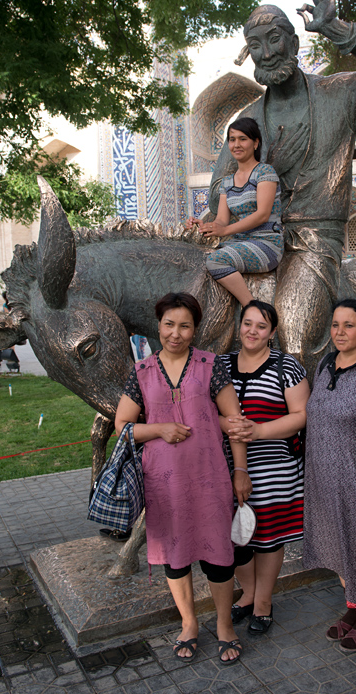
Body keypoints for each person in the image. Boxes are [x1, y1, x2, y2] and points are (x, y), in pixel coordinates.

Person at [208, 0, 356, 375]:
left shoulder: (339, 95)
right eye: (256, 45)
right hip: (258, 237)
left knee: (292, 333)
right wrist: (257, 179)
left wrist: (338, 30)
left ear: (293, 42)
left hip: (312, 238)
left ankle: (301, 428)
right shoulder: (250, 119)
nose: (268, 52)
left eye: (275, 39)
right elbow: (216, 190)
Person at [115, 292, 250, 664]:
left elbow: (235, 425)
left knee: (218, 558)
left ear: (195, 329)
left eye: (185, 325)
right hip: (163, 482)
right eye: (169, 324)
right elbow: (122, 426)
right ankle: (189, 623)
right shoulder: (141, 372)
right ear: (158, 326)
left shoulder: (211, 365)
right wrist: (158, 429)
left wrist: (241, 472)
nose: (176, 333)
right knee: (175, 558)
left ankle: (224, 625)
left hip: (210, 477)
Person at [218, 300, 309, 634]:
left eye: (261, 326)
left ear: (272, 332)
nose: (252, 331)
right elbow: (203, 410)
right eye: (247, 323)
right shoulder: (221, 365)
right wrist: (226, 425)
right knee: (237, 538)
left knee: (269, 538)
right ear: (239, 326)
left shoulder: (287, 366)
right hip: (227, 467)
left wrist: (259, 431)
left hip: (275, 468)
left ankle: (263, 601)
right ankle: (249, 592)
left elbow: (301, 415)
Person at [303, 299, 356, 652]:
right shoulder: (325, 363)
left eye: (348, 325)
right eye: (335, 325)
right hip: (322, 475)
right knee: (338, 544)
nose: (339, 332)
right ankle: (353, 605)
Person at [186, 118, 283, 308]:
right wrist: (206, 226)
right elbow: (222, 220)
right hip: (238, 241)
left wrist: (225, 231)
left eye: (242, 139)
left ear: (255, 143)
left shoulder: (265, 172)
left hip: (267, 243)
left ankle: (252, 308)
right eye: (232, 139)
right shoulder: (227, 182)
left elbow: (263, 214)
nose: (236, 145)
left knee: (216, 260)